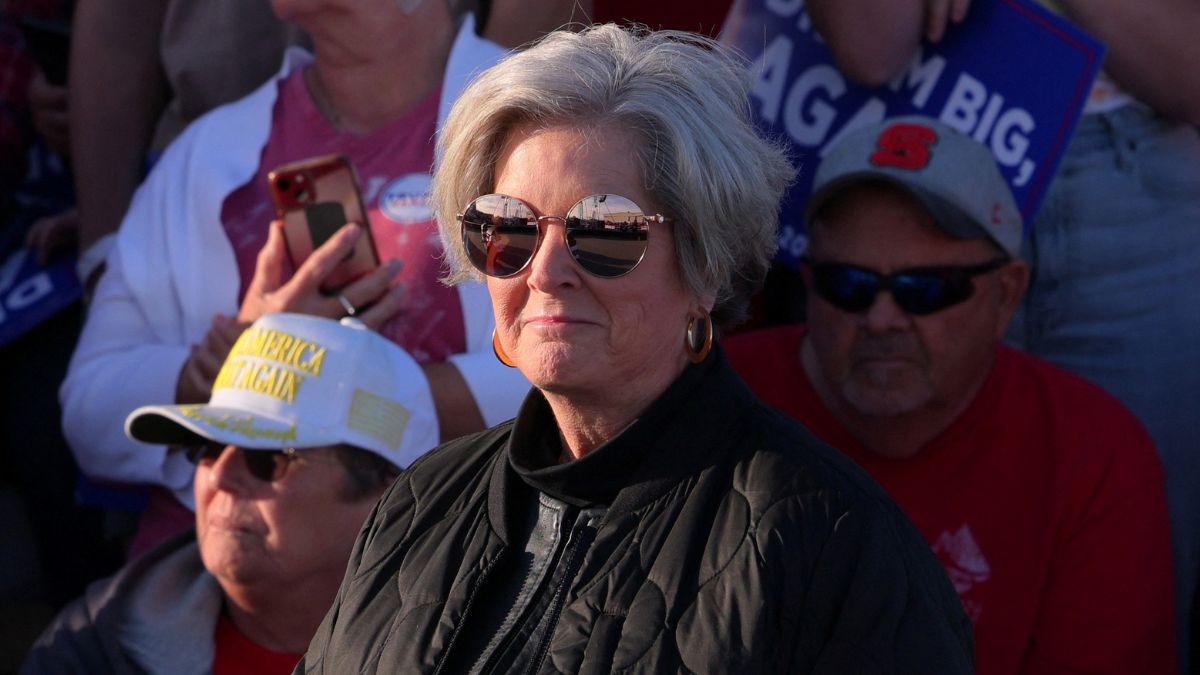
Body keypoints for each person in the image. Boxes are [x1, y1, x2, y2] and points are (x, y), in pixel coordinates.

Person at [296, 25, 973, 673]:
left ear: (705, 267)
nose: (545, 269)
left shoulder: (830, 543)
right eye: (507, 227)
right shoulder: (419, 503)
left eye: (606, 229)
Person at [59, 0, 532, 556]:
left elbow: (610, 366)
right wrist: (216, 365)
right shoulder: (203, 153)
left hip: (453, 569)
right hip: (214, 592)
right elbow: (89, 413)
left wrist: (296, 370)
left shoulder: (552, 127)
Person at [805, 1, 1200, 666]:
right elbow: (869, 45)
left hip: (1130, 177)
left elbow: (1189, 69)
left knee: (1131, 545)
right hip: (907, 165)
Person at [725, 116, 1176, 674]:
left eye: (926, 289)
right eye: (850, 285)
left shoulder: (1093, 456)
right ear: (811, 285)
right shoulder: (718, 400)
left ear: (1005, 294)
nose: (881, 319)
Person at [22, 312, 436, 674]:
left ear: (389, 497)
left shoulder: (477, 643)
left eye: (267, 458)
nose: (218, 478)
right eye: (207, 448)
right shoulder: (91, 644)